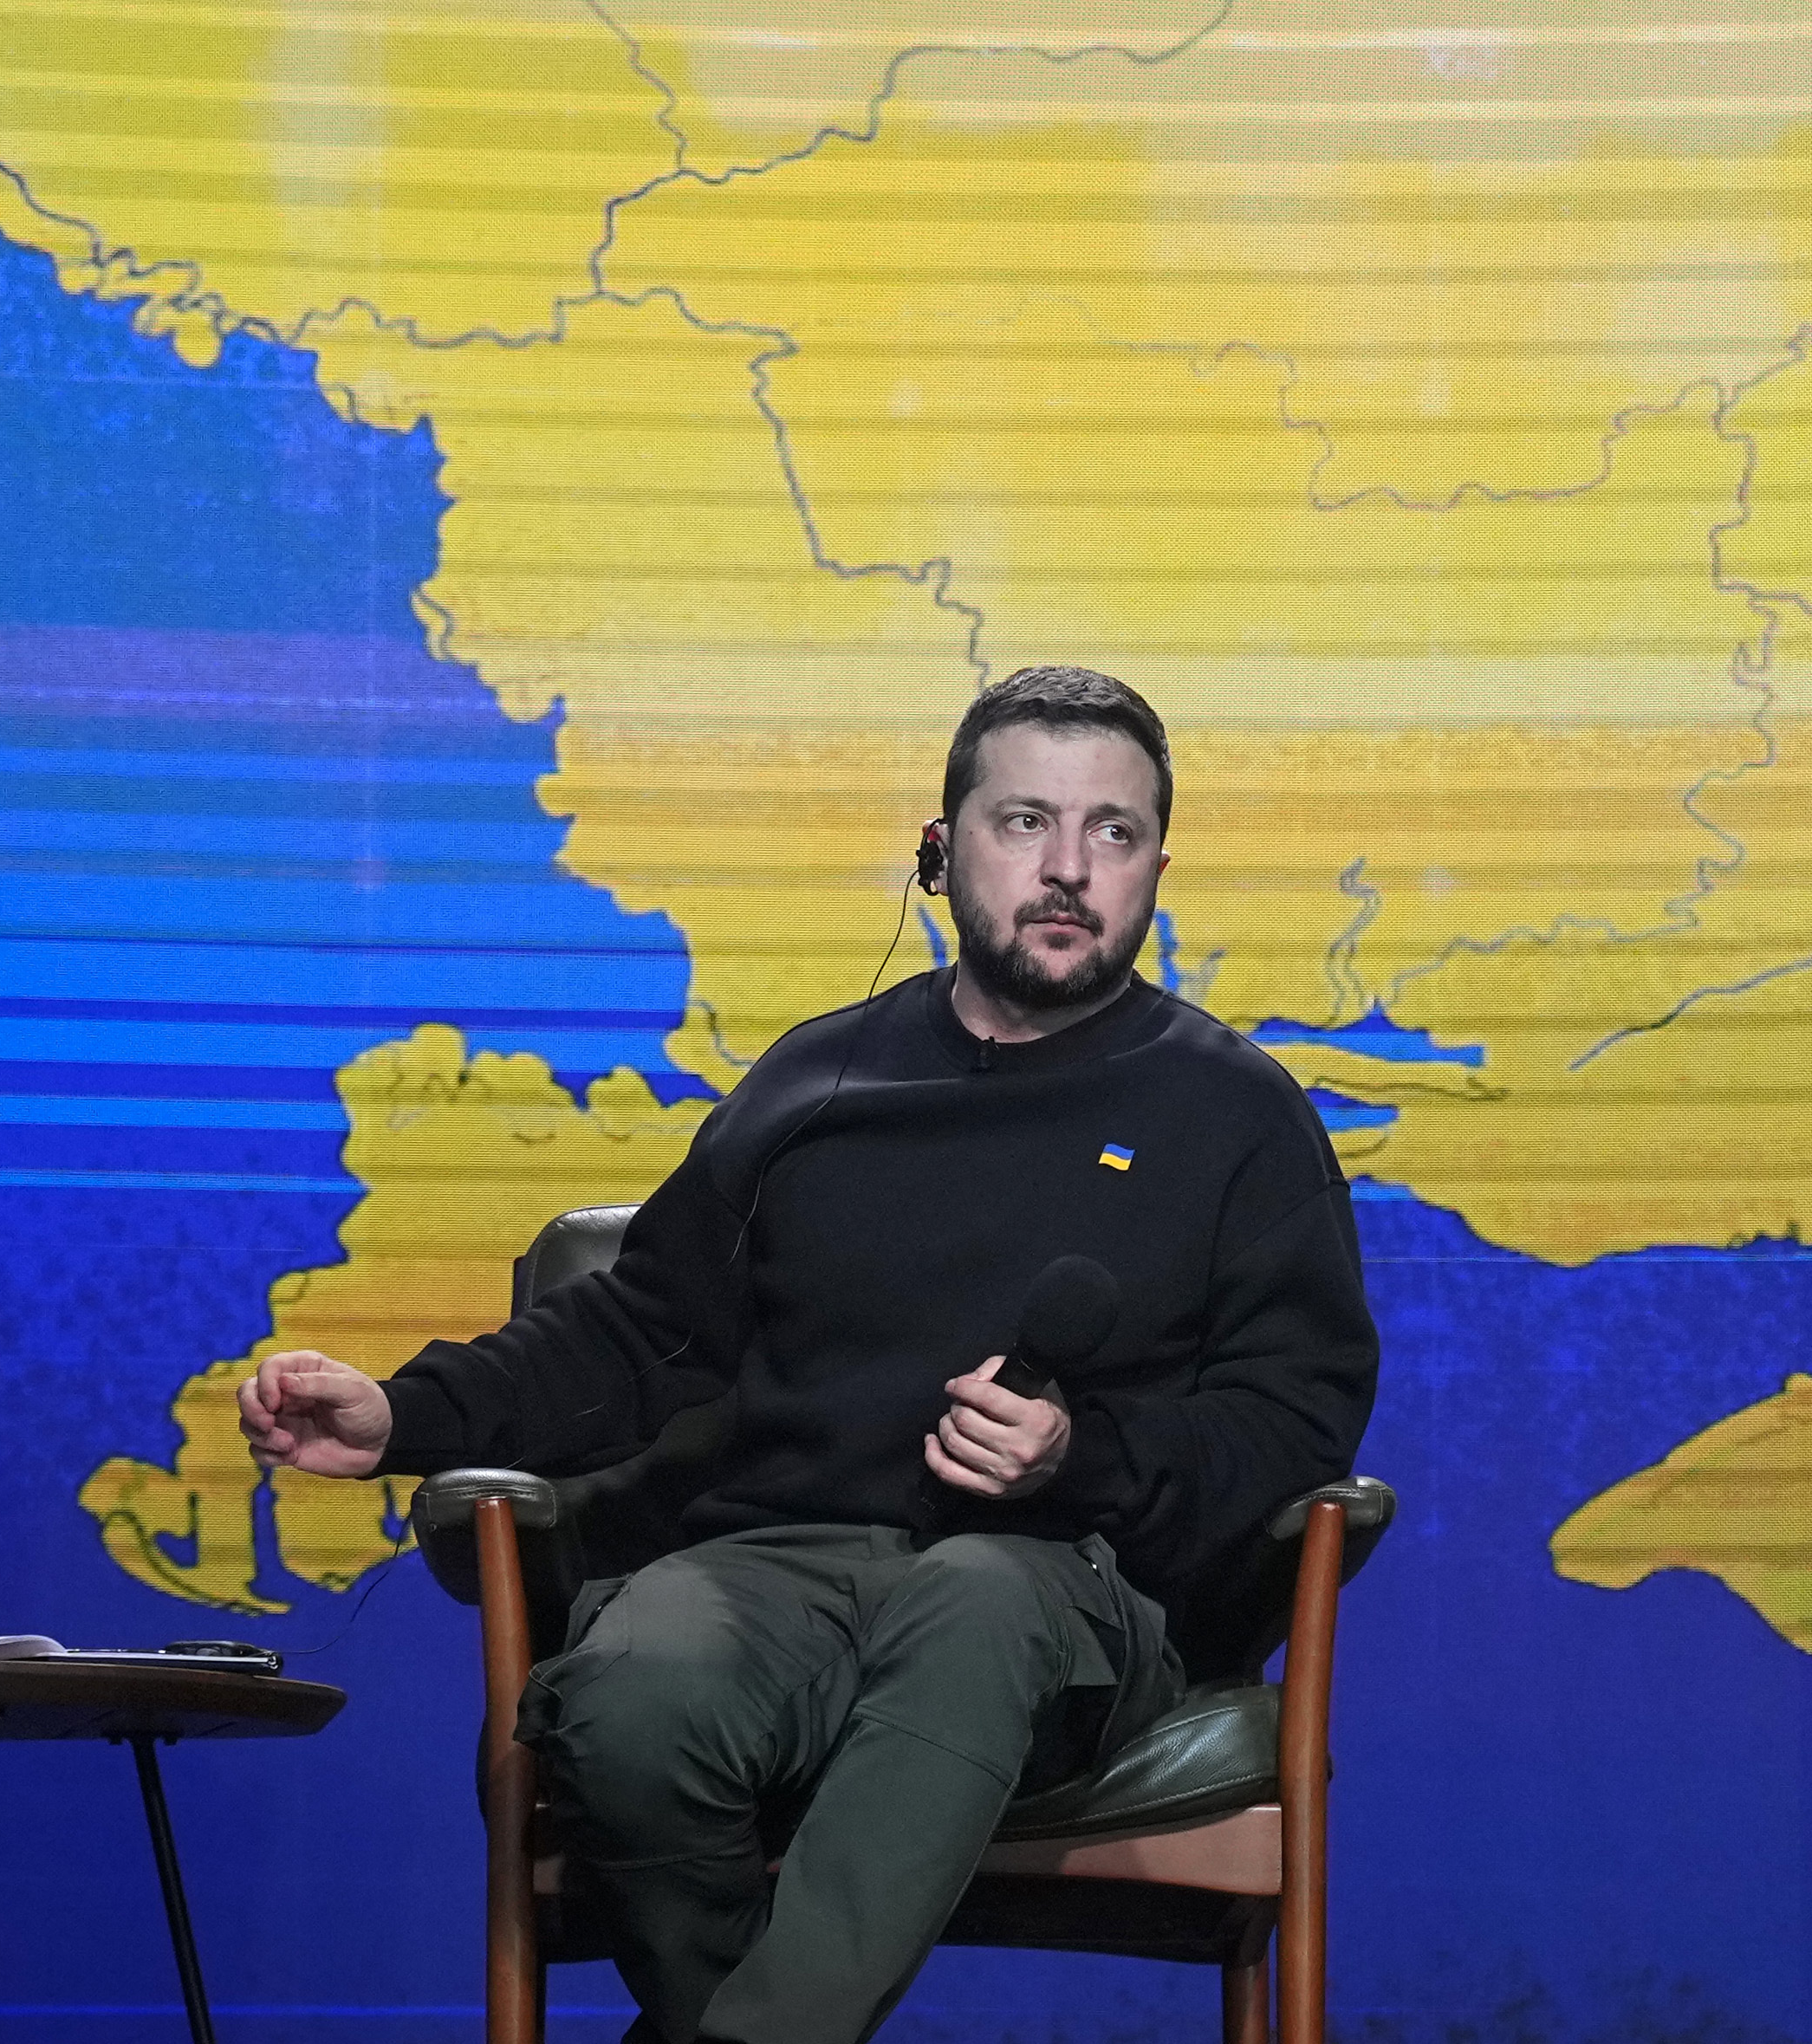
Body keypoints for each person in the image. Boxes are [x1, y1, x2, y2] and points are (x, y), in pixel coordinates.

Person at [238, 665, 1377, 2044]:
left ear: (1156, 869)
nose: (1069, 869)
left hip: (1060, 1590)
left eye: (1113, 832)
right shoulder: (819, 1081)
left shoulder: (1235, 1112)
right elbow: (638, 1332)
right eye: (1025, 822)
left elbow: (1295, 1421)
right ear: (944, 847)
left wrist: (1081, 1457)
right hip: (778, 1567)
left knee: (974, 1602)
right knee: (634, 1687)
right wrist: (401, 1417)